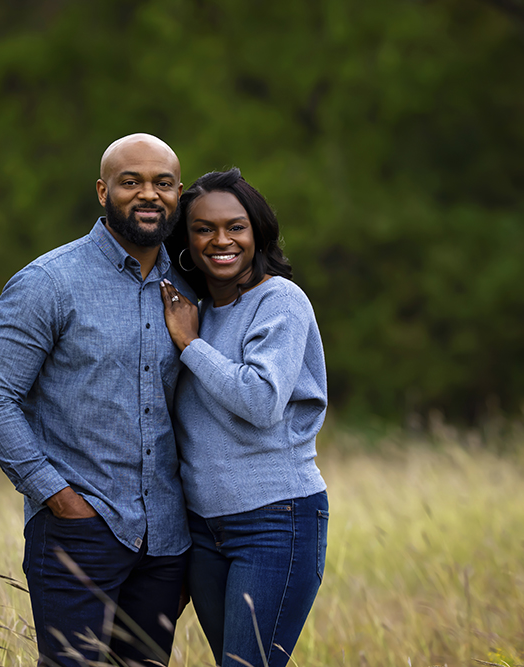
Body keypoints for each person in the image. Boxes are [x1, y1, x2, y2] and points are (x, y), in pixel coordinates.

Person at [0, 133, 196, 667]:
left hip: (165, 539)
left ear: (178, 194)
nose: (148, 195)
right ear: (101, 191)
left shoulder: (189, 286)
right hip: (78, 530)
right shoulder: (48, 283)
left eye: (162, 183)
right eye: (130, 181)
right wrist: (60, 499)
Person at [160, 168, 328, 667]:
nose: (221, 241)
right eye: (204, 229)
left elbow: (260, 401)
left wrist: (191, 345)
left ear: (257, 232)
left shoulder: (279, 301)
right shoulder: (195, 309)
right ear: (186, 241)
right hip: (203, 529)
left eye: (235, 226)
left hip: (276, 519)